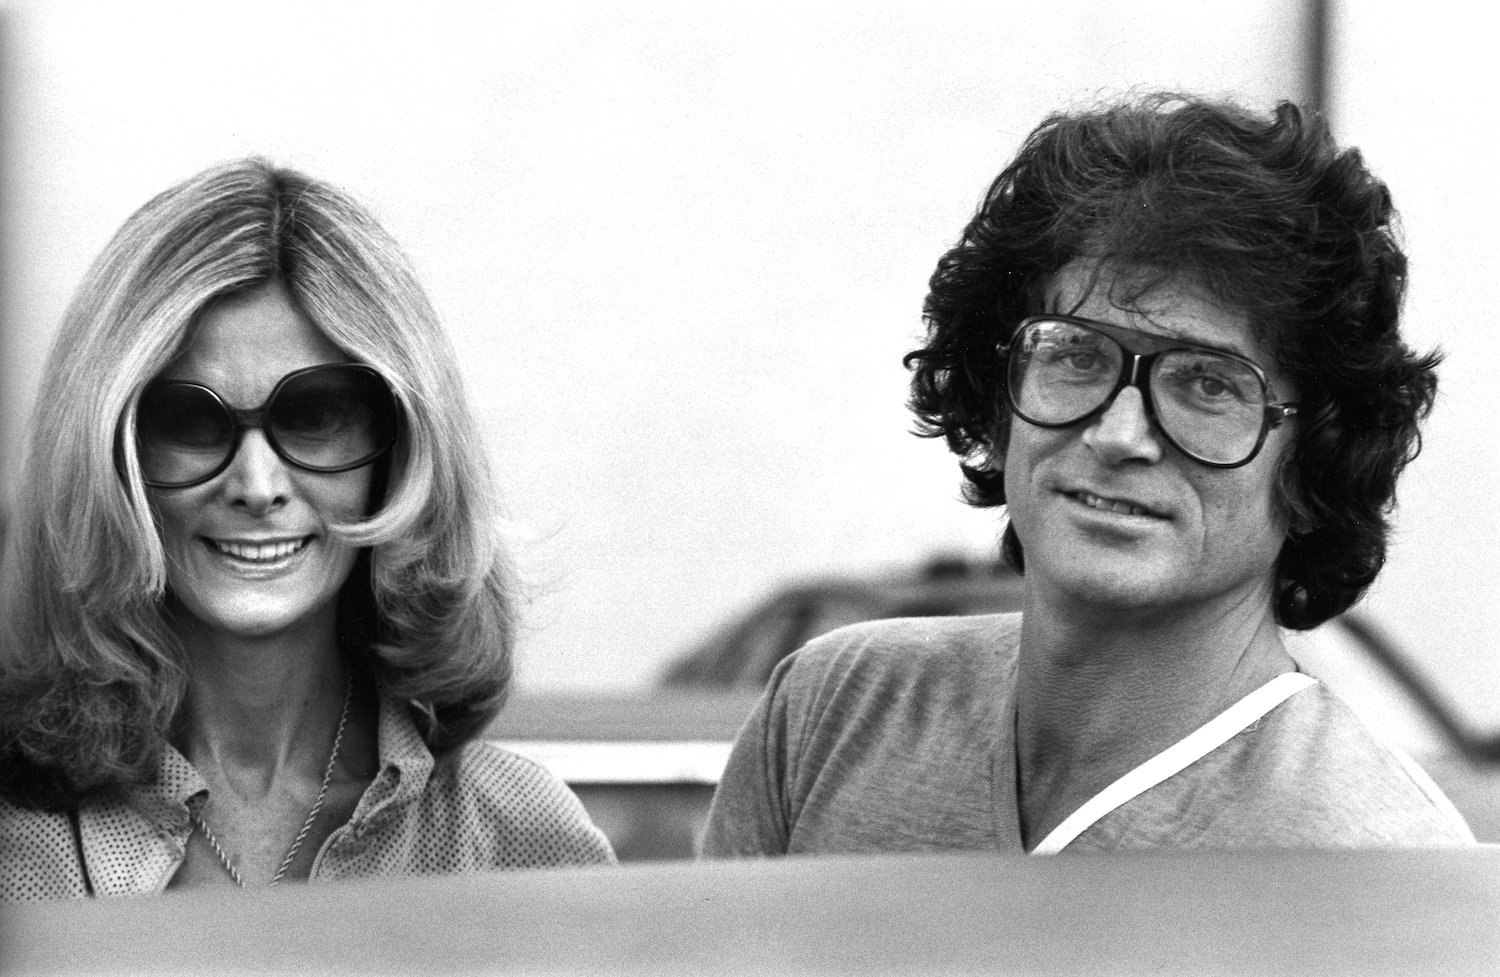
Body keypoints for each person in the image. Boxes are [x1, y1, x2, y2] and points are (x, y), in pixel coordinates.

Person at [701, 93, 1475, 856]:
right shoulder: (833, 717)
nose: (1120, 433)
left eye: (1208, 382)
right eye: (1074, 354)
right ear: (998, 400)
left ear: (1315, 464)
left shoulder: (1373, 866)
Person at [0, 160, 614, 902]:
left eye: (316, 415)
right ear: (112, 456)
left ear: (401, 450)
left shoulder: (517, 839)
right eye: (191, 420)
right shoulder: (16, 839)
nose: (257, 486)